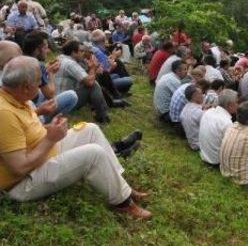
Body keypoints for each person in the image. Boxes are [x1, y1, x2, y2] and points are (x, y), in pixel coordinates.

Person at [0, 57, 151, 219]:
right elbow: (19, 168)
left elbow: (21, 128)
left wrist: (40, 115)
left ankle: (120, 185)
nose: (40, 85)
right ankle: (123, 203)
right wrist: (50, 138)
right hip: (22, 183)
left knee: (90, 129)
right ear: (25, 88)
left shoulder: (16, 98)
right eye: (38, 81)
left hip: (41, 155)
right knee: (94, 153)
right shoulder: (4, 113)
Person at [21, 33, 78, 122]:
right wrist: (52, 73)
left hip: (23, 104)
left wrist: (46, 70)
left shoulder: (18, 61)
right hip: (32, 110)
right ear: (37, 50)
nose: (47, 51)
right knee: (72, 95)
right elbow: (50, 95)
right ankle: (47, 121)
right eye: (45, 48)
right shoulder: (38, 65)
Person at [55, 41, 111, 124]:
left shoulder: (60, 58)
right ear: (73, 52)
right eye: (81, 51)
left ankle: (102, 109)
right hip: (66, 102)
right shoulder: (70, 64)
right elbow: (89, 82)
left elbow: (83, 77)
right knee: (93, 85)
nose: (84, 53)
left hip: (58, 98)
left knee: (92, 82)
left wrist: (90, 69)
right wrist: (93, 68)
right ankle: (101, 115)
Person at [198, 89, 238, 166]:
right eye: (236, 102)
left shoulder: (208, 112)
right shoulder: (226, 122)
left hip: (204, 155)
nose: (238, 105)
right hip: (216, 161)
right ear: (229, 104)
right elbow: (231, 148)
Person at [180, 84, 206, 151]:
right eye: (201, 94)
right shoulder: (198, 113)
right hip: (199, 144)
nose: (203, 96)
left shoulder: (185, 109)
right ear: (194, 96)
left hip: (192, 142)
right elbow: (210, 128)